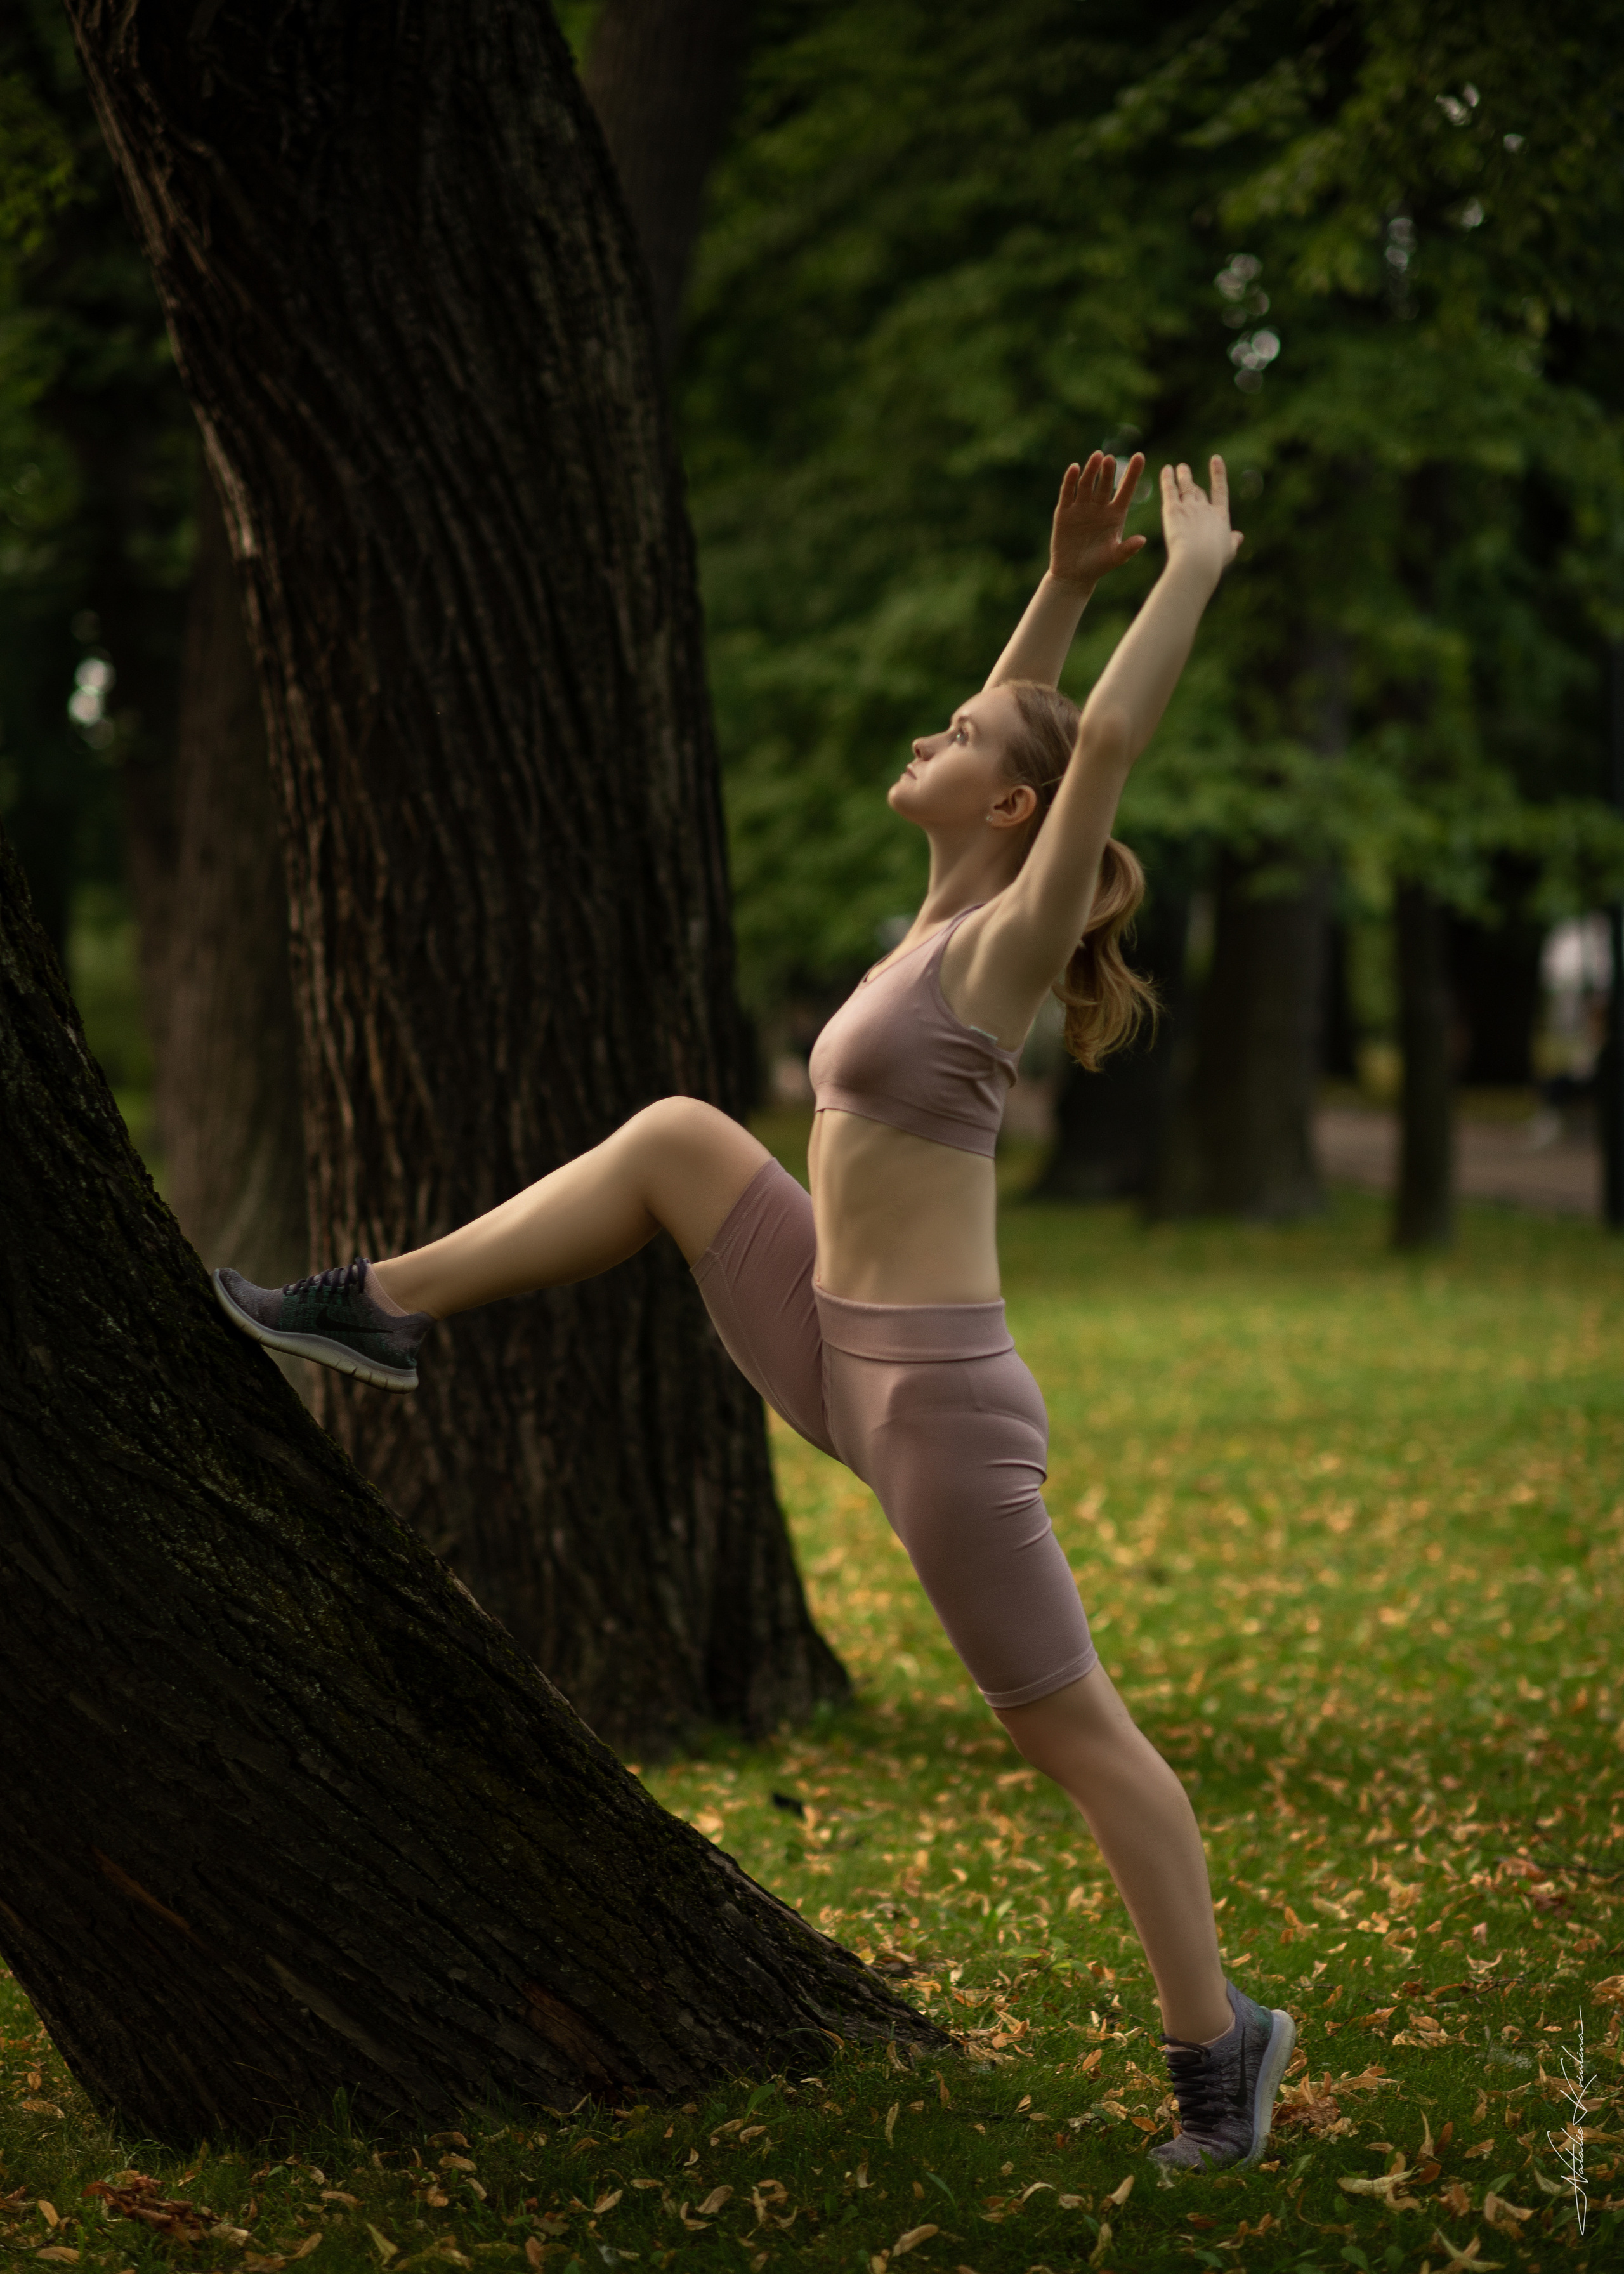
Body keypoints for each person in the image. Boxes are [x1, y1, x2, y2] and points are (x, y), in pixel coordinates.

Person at [215, 449, 1295, 2170]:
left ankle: (1219, 2046)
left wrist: (1186, 576)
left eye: (952, 743)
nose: (931, 736)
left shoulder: (998, 955)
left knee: (1074, 1736)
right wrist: (1066, 582)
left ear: (1010, 817)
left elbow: (1083, 747)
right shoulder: (930, 921)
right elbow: (1026, 719)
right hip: (827, 1337)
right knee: (678, 1139)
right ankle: (379, 1308)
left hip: (934, 1406)